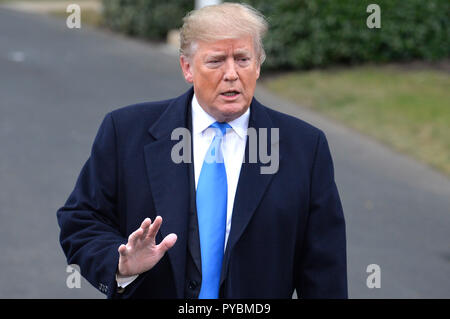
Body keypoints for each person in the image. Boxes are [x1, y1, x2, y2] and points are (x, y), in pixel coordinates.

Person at [57, 2, 347, 299]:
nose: (232, 73)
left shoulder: (305, 148)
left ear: (258, 64)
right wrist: (121, 264)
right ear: (187, 67)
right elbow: (80, 221)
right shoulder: (125, 132)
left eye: (243, 59)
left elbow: (325, 271)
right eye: (216, 61)